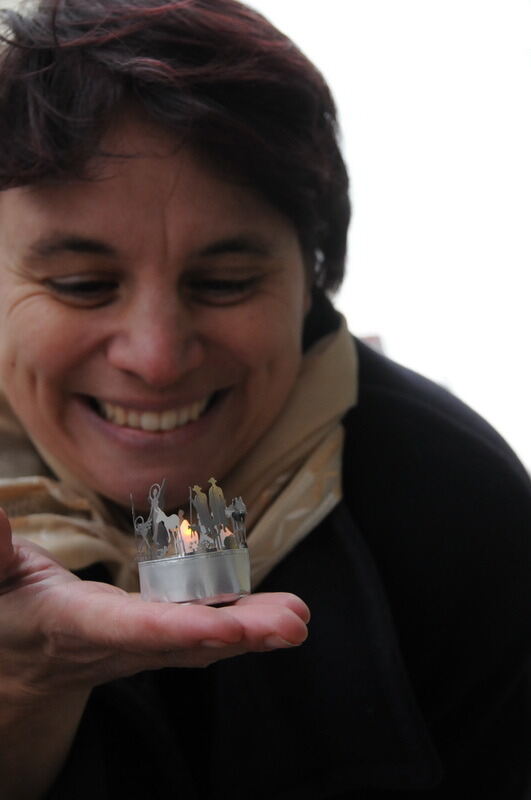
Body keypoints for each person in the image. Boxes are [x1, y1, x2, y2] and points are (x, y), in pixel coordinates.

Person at [0, 1, 529, 798]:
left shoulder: (456, 506)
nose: (155, 357)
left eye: (224, 284)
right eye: (82, 285)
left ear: (310, 277)